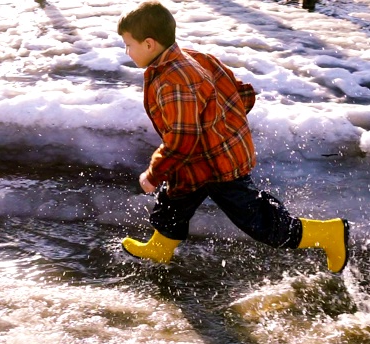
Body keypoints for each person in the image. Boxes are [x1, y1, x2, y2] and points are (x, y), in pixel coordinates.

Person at [117, 1, 349, 273]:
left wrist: (153, 174)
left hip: (217, 165)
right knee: (177, 195)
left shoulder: (174, 82)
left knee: (258, 220)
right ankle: (160, 247)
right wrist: (221, 126)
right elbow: (241, 93)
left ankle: (328, 234)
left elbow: (181, 141)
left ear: (148, 44)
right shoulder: (195, 57)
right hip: (204, 156)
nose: (126, 52)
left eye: (128, 45)